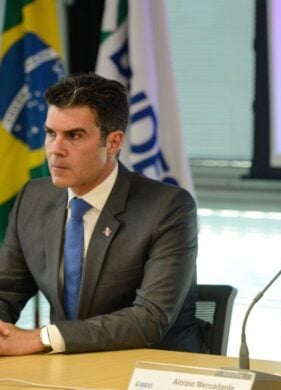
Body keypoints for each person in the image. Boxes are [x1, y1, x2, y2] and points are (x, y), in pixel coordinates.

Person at [0, 73, 201, 355]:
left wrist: (42, 338)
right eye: (50, 133)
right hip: (65, 369)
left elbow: (149, 319)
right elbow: (6, 290)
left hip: (148, 369)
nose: (56, 149)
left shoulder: (167, 208)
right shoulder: (33, 199)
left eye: (74, 135)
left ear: (114, 142)